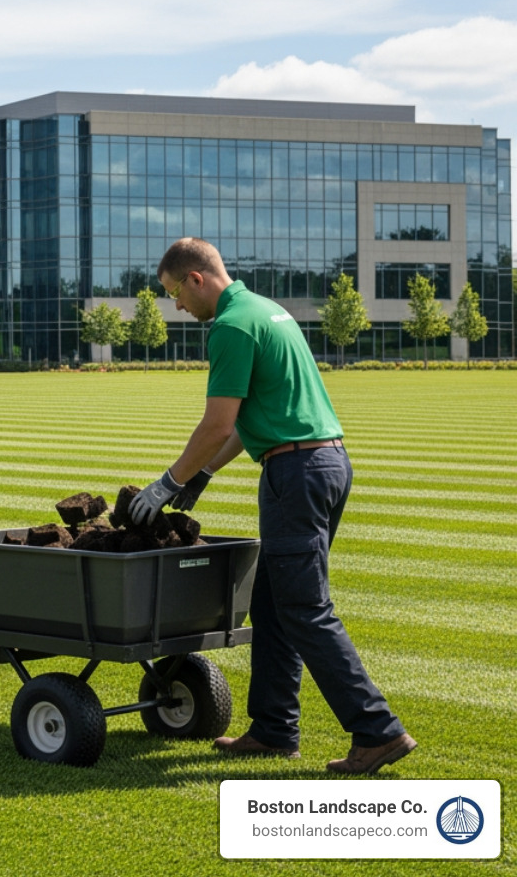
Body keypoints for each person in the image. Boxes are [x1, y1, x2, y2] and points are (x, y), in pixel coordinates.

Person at [131, 237, 413, 775]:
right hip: (323, 463)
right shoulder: (269, 312)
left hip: (296, 473)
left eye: (174, 295)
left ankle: (378, 730)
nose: (176, 308)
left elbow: (217, 422)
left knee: (305, 608)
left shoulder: (231, 327)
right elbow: (246, 418)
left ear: (196, 279)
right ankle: (274, 729)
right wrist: (206, 472)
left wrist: (166, 484)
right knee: (272, 601)